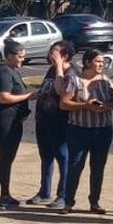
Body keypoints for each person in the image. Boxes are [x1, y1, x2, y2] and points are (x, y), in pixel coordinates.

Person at [59, 48, 113, 214]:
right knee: (75, 165)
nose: (101, 65)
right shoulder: (75, 80)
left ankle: (95, 202)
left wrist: (104, 107)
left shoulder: (105, 81)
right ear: (87, 62)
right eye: (97, 61)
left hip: (102, 130)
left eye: (103, 62)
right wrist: (85, 105)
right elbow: (64, 103)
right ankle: (68, 201)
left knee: (98, 167)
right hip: (79, 130)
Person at [0, 39, 35, 210]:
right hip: (4, 118)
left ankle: (5, 193)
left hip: (14, 119)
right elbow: (3, 97)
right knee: (5, 157)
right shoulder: (4, 73)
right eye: (20, 57)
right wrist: (28, 97)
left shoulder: (13, 71)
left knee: (9, 157)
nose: (22, 59)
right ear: (9, 56)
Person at [27, 42, 76, 210]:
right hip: (43, 120)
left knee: (63, 157)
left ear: (65, 55)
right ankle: (44, 191)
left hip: (60, 122)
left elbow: (62, 91)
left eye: (55, 53)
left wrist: (60, 68)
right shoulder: (50, 70)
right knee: (46, 156)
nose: (51, 55)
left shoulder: (70, 73)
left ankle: (63, 195)